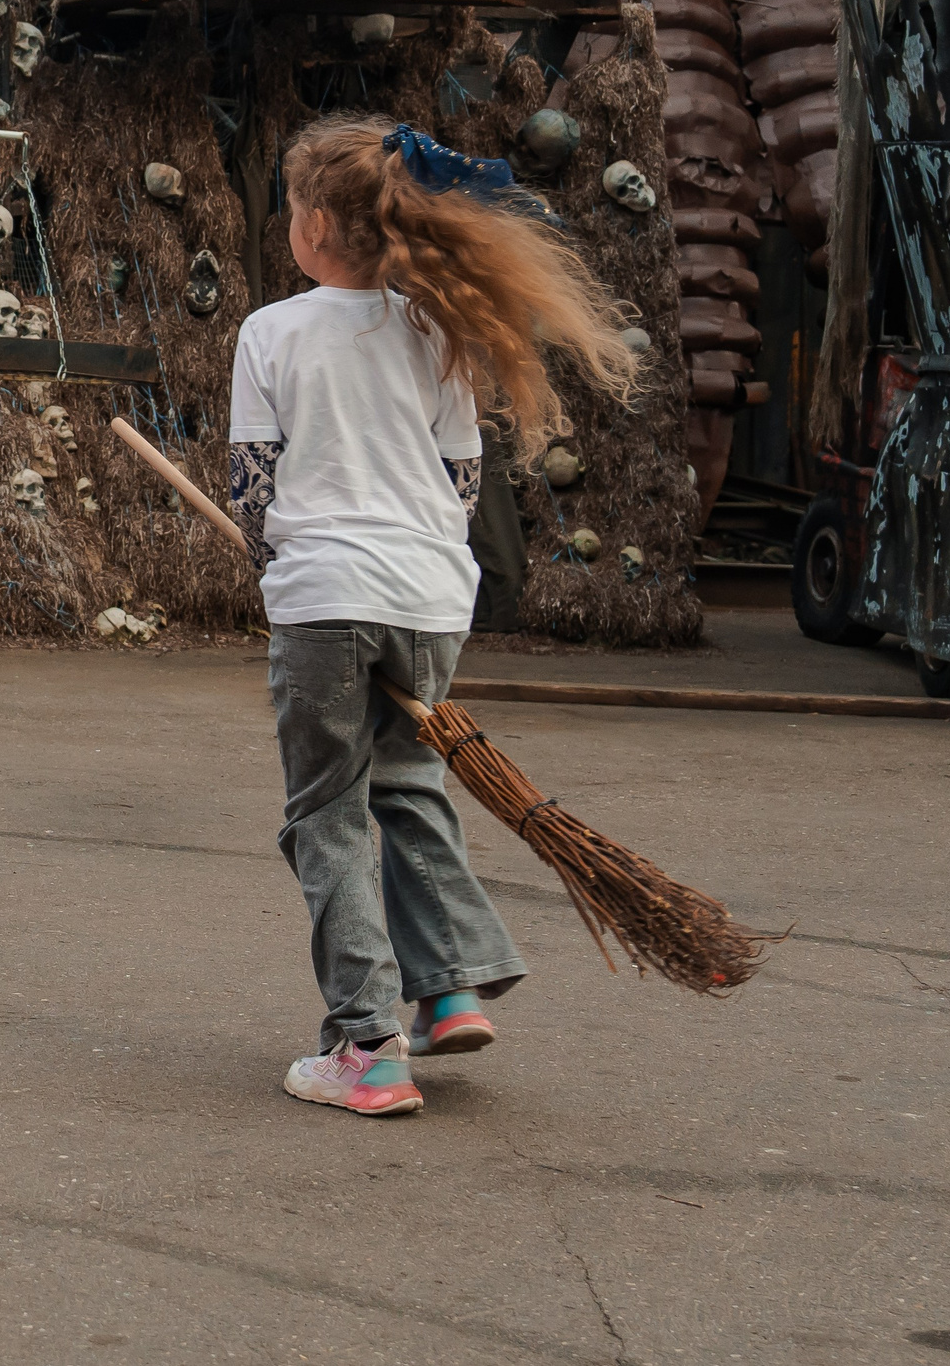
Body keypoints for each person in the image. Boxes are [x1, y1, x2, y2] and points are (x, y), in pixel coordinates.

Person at [230, 117, 642, 1116]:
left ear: (317, 224)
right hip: (427, 594)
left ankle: (366, 1044)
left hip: (327, 596)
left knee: (325, 812)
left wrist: (268, 552)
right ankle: (450, 983)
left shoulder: (271, 331)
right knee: (409, 779)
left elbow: (253, 482)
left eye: (293, 208)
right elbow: (461, 482)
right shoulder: (438, 327)